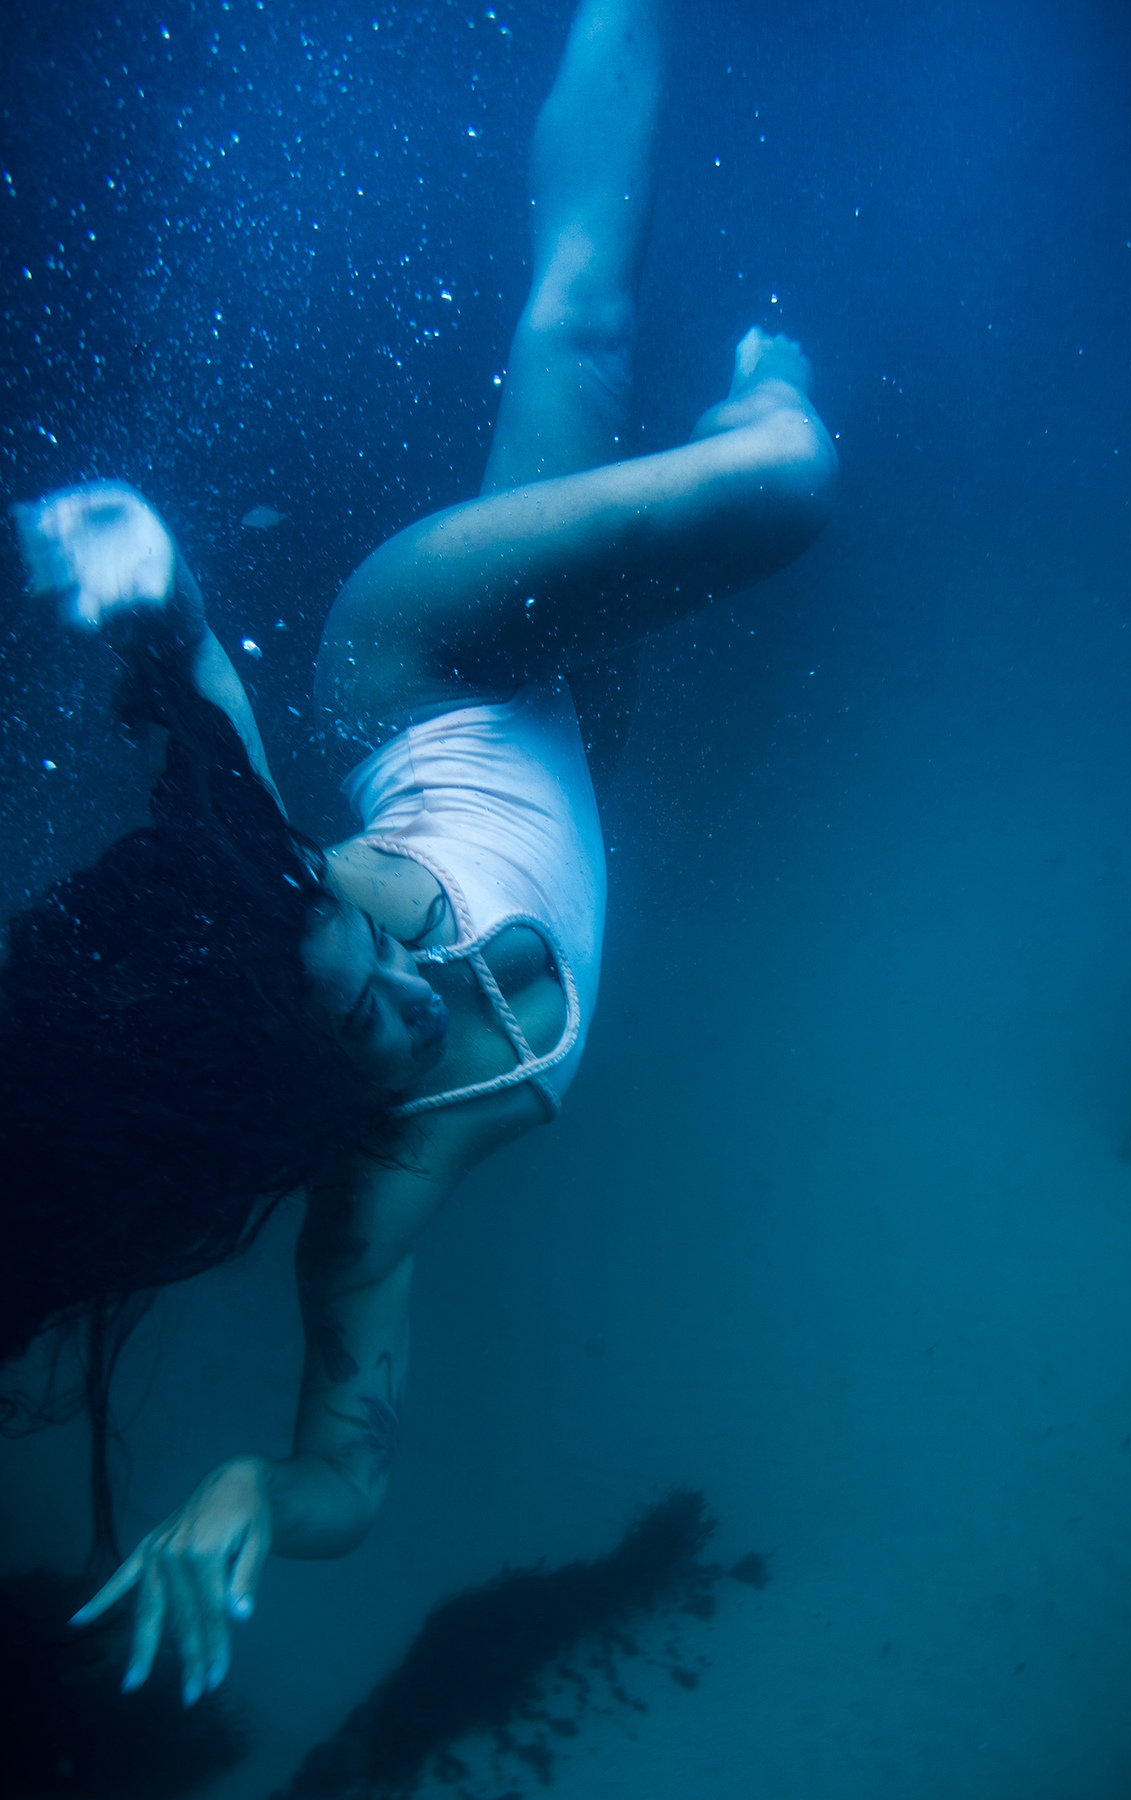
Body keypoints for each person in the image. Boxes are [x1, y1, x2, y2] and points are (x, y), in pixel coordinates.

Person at [2, 0, 835, 1707]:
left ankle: (769, 376)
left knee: (737, 439)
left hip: (436, 666)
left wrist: (150, 592)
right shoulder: (374, 1207)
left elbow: (228, 778)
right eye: (362, 1007)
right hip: (570, 752)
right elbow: (348, 1476)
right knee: (585, 377)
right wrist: (251, 1491)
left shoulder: (301, 902)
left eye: (356, 933)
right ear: (286, 1104)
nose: (404, 973)